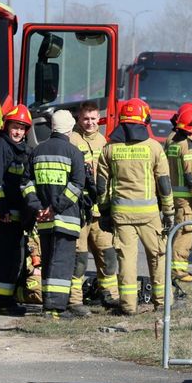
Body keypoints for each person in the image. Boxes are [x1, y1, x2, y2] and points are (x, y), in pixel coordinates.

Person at [96, 98, 173, 315]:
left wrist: (104, 212)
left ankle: (128, 306)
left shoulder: (109, 149)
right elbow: (164, 184)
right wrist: (168, 213)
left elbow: (101, 186)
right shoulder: (154, 148)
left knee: (126, 260)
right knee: (158, 256)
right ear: (144, 119)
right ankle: (162, 304)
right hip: (150, 215)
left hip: (121, 215)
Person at [24, 109, 88, 319]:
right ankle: (56, 309)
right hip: (66, 218)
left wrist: (38, 207)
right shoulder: (73, 152)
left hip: (43, 219)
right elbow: (77, 185)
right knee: (61, 264)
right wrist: (56, 207)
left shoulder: (37, 151)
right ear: (70, 129)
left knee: (49, 260)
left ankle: (47, 306)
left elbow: (26, 183)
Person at [0, 104, 35, 316]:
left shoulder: (22, 151)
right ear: (6, 126)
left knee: (15, 259)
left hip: (15, 216)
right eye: (15, 127)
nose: (18, 132)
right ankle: (1, 303)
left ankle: (7, 300)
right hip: (3, 215)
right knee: (7, 260)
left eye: (22, 128)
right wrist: (2, 208)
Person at [68, 101, 119, 310]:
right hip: (80, 210)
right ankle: (75, 301)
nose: (89, 123)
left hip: (100, 210)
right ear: (78, 119)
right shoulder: (71, 140)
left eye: (93, 119)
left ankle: (110, 296)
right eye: (85, 119)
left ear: (99, 119)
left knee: (107, 254)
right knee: (79, 258)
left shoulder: (103, 142)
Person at [165, 102, 192, 283]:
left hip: (174, 196)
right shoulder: (187, 147)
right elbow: (191, 175)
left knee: (178, 230)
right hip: (187, 199)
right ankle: (178, 271)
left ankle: (174, 268)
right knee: (186, 232)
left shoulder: (171, 140)